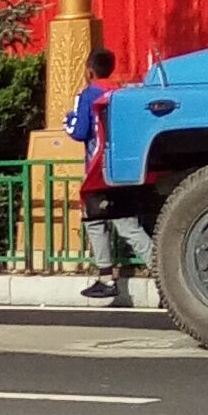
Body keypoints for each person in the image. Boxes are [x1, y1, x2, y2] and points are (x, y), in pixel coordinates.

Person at [68, 45, 155, 306]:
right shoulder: (121, 93)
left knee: (97, 221)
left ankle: (107, 278)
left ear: (89, 71)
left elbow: (79, 131)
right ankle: (164, 274)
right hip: (123, 167)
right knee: (128, 225)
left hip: (97, 169)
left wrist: (68, 120)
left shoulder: (87, 95)